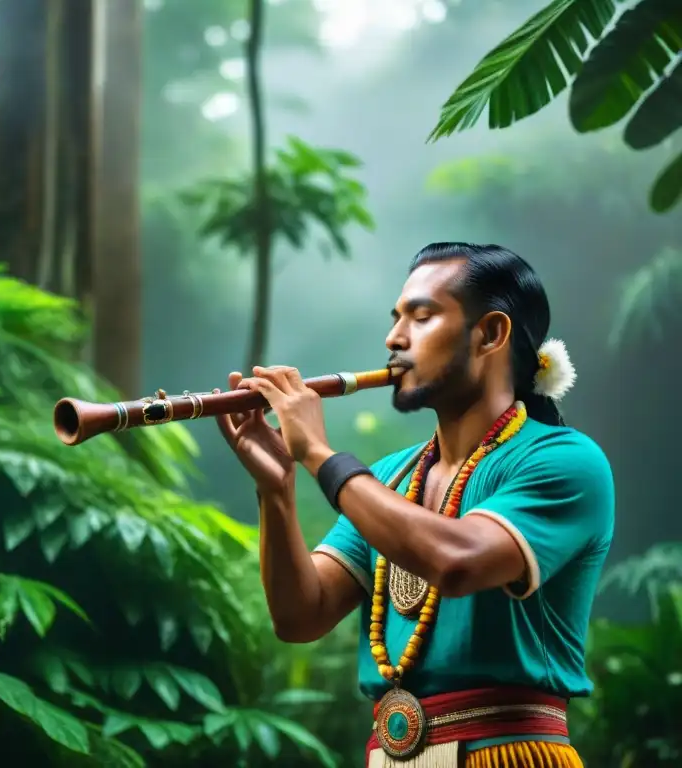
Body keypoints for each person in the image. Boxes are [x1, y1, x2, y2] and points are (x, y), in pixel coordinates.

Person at [216, 243, 614, 768]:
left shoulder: (565, 460)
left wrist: (317, 453)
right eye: (396, 317)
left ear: (491, 334)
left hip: (510, 755)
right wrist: (277, 489)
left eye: (421, 316)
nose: (393, 338)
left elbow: (458, 561)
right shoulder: (388, 480)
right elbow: (300, 616)